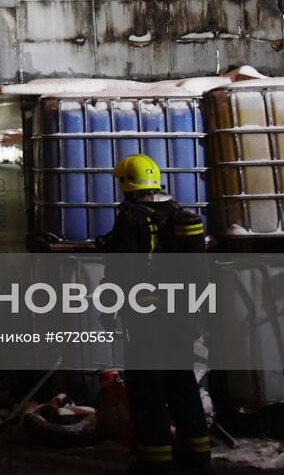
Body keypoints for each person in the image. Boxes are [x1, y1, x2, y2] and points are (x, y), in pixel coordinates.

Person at [101, 154, 210, 474]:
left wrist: (109, 309)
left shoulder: (132, 218)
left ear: (126, 183)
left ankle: (155, 459)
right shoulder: (177, 213)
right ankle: (198, 455)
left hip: (146, 317)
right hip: (180, 314)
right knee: (182, 384)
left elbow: (120, 271)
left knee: (147, 388)